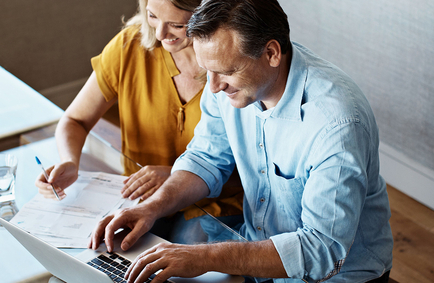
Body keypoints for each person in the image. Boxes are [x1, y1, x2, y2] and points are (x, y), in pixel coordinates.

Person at [89, 0, 394, 282]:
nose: (214, 87)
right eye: (207, 71)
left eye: (226, 72)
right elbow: (205, 159)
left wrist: (205, 257)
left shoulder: (336, 124)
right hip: (260, 261)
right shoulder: (227, 84)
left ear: (272, 53)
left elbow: (322, 250)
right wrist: (152, 208)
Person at [34, 0, 243, 244]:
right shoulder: (128, 46)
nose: (160, 34)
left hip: (214, 202)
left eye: (176, 24)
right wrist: (70, 161)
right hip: (139, 198)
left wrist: (176, 175)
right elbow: (75, 119)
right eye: (152, 16)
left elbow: (253, 170)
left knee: (186, 251)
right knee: (102, 245)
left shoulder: (229, 65)